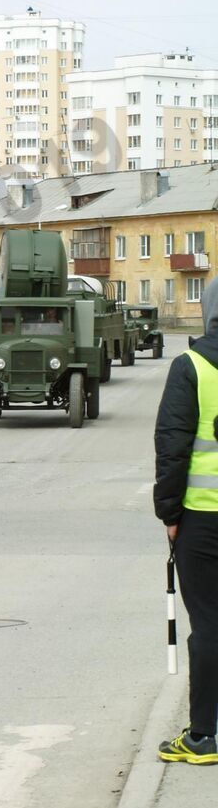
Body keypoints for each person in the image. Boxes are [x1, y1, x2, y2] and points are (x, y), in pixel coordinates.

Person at [153, 277, 218, 766]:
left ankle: (203, 737)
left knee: (209, 625)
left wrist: (170, 514)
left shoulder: (191, 366)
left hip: (203, 520)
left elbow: (173, 448)